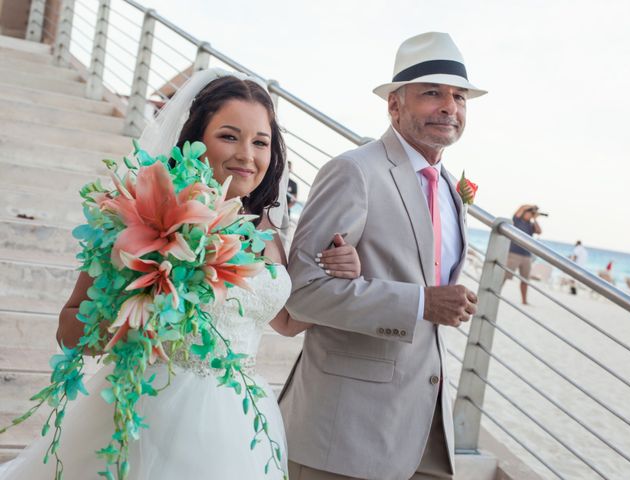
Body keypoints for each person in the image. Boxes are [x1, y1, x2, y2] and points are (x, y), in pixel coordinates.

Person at [0, 69, 362, 479]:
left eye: (260, 141)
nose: (247, 154)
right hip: (153, 409)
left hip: (242, 422)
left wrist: (342, 275)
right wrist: (140, 313)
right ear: (194, 139)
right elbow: (69, 327)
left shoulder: (268, 234)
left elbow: (287, 321)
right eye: (229, 136)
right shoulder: (144, 212)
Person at [279, 32, 484, 480]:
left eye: (459, 96)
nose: (449, 106)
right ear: (395, 105)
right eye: (432, 92)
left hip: (426, 431)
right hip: (346, 434)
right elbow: (303, 293)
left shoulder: (451, 190)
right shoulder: (355, 172)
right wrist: (421, 303)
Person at [504, 204, 543, 305]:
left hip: (526, 256)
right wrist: (532, 207)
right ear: (525, 212)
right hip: (514, 254)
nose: (530, 214)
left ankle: (524, 301)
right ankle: (495, 292)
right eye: (529, 212)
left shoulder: (531, 225)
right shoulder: (516, 220)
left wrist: (535, 219)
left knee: (525, 280)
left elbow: (539, 231)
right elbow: (521, 208)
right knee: (503, 276)